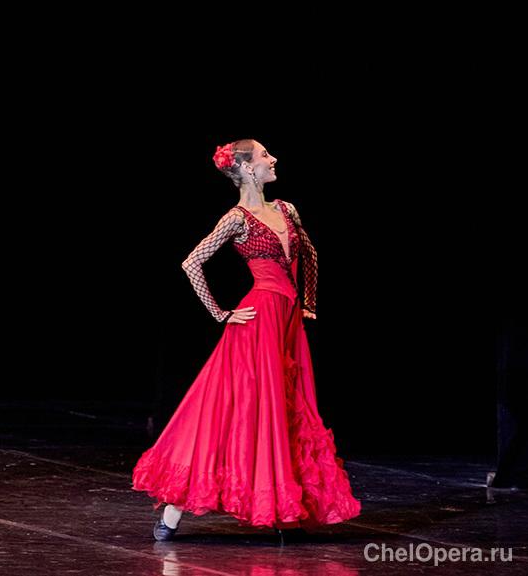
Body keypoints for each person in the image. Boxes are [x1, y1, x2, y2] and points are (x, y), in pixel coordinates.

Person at [132, 139, 360, 540]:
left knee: (287, 410)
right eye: (265, 155)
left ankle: (284, 509)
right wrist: (220, 313)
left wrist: (308, 302)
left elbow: (310, 253)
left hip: (286, 323)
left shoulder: (286, 209)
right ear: (248, 168)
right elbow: (191, 262)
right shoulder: (236, 219)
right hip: (256, 324)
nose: (273, 159)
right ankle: (173, 512)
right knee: (234, 410)